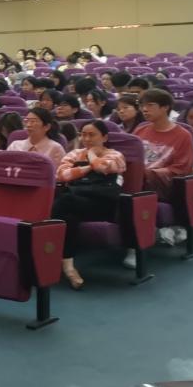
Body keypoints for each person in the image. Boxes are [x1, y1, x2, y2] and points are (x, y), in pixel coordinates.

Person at [52, 121, 127, 289]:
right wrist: (89, 167)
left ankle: (45, 254)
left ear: (104, 137)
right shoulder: (74, 154)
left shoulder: (116, 155)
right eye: (83, 135)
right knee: (68, 216)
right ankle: (69, 267)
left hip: (102, 203)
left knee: (63, 202)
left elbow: (102, 168)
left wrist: (92, 155)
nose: (86, 139)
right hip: (76, 201)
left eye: (91, 135)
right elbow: (62, 175)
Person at [134, 89, 193, 246]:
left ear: (165, 107)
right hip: (139, 178)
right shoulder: (141, 129)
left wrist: (149, 173)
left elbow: (182, 169)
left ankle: (138, 244)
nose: (144, 109)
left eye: (150, 105)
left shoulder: (183, 135)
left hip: (165, 184)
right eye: (142, 105)